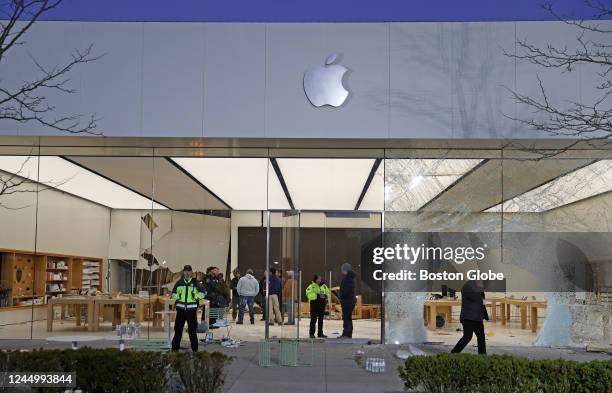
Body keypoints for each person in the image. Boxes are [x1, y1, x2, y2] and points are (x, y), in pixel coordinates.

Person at [171, 265, 204, 352]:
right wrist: (178, 296)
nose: (187, 272)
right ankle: (174, 349)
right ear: (183, 272)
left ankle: (195, 350)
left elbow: (202, 294)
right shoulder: (179, 283)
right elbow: (173, 295)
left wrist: (194, 295)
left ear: (191, 272)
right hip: (180, 311)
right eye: (185, 271)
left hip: (191, 311)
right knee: (178, 330)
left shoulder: (196, 283)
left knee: (192, 331)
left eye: (189, 271)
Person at [451, 280, 489, 355]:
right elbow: (474, 297)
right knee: (467, 337)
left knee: (481, 337)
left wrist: (485, 314)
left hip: (477, 318)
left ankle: (482, 355)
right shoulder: (467, 287)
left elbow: (482, 302)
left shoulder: (479, 288)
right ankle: (454, 353)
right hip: (468, 317)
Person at [338, 262, 356, 339]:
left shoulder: (347, 279)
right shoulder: (350, 278)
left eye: (342, 270)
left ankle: (346, 334)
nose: (341, 271)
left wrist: (341, 296)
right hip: (349, 301)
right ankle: (347, 334)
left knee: (346, 318)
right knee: (347, 317)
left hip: (347, 301)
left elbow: (345, 291)